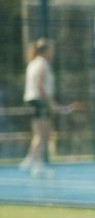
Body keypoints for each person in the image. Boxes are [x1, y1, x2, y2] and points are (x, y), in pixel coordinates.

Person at [20, 38, 55, 177]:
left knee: (40, 133)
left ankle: (31, 161)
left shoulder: (33, 63)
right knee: (43, 133)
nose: (52, 53)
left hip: (33, 100)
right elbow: (40, 86)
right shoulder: (42, 64)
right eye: (51, 50)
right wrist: (51, 103)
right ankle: (35, 164)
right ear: (46, 51)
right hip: (39, 100)